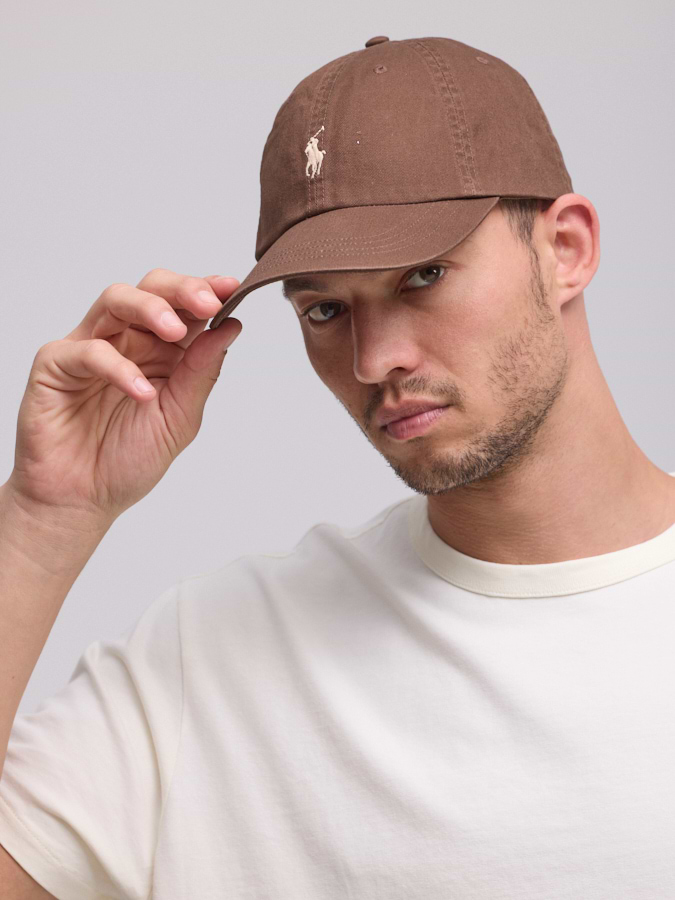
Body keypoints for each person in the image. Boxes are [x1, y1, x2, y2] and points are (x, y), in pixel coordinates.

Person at [1, 33, 674, 899]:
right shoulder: (214, 659)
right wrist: (43, 521)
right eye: (323, 310)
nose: (372, 359)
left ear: (566, 250)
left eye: (423, 275)